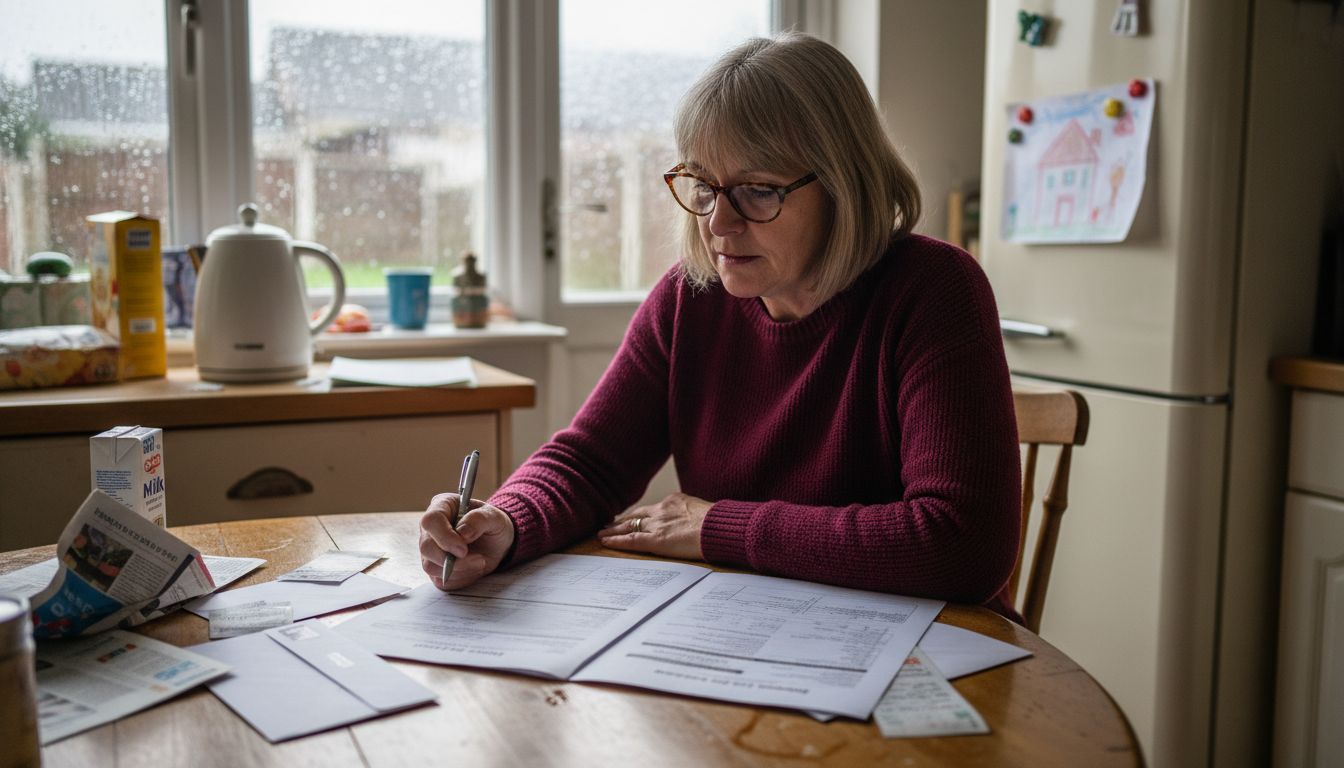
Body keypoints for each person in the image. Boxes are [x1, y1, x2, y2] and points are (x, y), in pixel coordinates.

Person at [419, 32, 1023, 619]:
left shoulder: (934, 289)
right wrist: (506, 519)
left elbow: (963, 543)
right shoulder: (691, 297)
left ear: (844, 183)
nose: (718, 223)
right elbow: (593, 461)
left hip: (932, 646)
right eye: (704, 186)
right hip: (748, 625)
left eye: (759, 190)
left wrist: (717, 526)